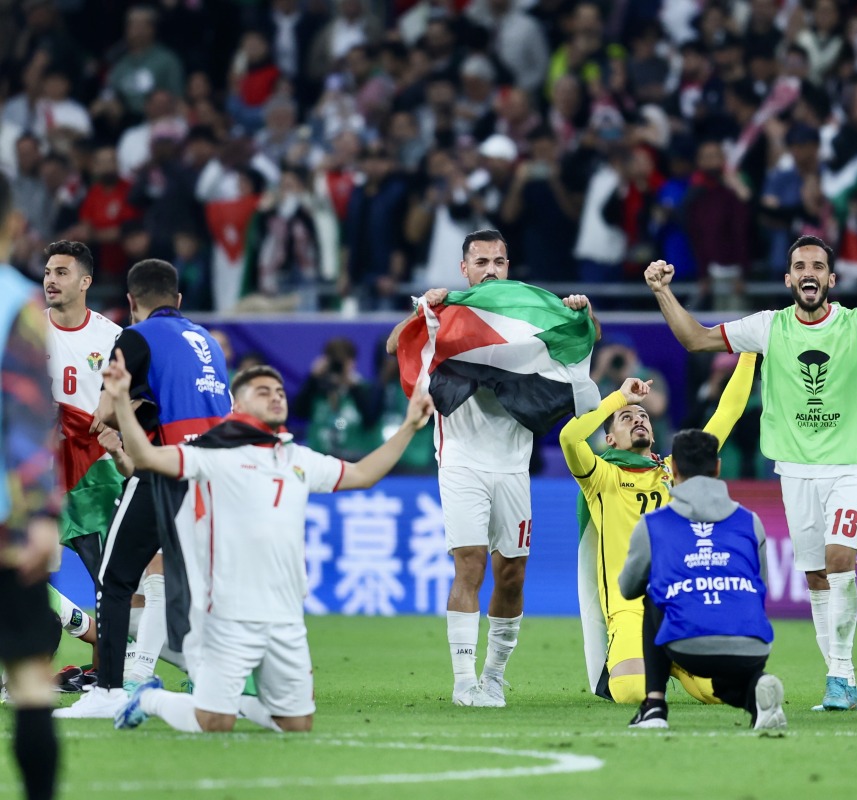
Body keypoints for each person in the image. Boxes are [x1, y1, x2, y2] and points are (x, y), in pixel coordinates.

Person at [645, 235, 857, 711]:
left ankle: (839, 675)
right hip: (794, 471)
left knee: (840, 560)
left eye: (818, 265)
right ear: (789, 278)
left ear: (831, 280)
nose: (809, 272)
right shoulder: (768, 327)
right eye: (800, 265)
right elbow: (696, 338)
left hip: (850, 468)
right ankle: (844, 680)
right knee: (816, 576)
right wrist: (661, 292)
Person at [111, 360, 435, 732]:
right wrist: (121, 402)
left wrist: (410, 425)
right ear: (237, 404)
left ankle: (237, 703)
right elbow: (147, 457)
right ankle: (149, 698)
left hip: (286, 614)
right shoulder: (213, 453)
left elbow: (362, 474)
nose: (275, 397)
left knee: (296, 724)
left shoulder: (297, 457)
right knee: (214, 722)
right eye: (262, 391)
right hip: (228, 614)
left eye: (279, 391)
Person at [385, 229, 596, 707]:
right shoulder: (450, 314)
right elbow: (396, 345)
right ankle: (463, 682)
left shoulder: (523, 316)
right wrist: (426, 310)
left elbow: (582, 339)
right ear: (464, 269)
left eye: (499, 261)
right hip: (460, 461)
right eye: (481, 262)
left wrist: (582, 312)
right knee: (471, 564)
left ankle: (494, 676)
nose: (491, 270)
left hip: (514, 467)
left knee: (513, 574)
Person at [56, 259, 231, 719]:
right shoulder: (207, 342)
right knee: (187, 583)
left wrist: (116, 413)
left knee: (114, 578)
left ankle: (109, 691)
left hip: (167, 469)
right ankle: (216, 682)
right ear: (178, 300)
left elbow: (103, 410)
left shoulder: (135, 337)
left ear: (131, 302)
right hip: (219, 473)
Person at [560, 359, 753, 704]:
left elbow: (729, 412)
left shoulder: (677, 472)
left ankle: (674, 659)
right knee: (632, 691)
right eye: (627, 418)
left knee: (724, 693)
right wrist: (619, 397)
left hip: (681, 605)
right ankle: (655, 658)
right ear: (610, 439)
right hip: (631, 610)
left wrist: (751, 352)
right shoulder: (601, 477)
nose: (638, 419)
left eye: (643, 416)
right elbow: (569, 437)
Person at [617, 429, 784, 730]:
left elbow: (628, 589)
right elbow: (761, 587)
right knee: (724, 682)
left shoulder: (654, 523)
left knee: (652, 595)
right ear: (718, 467)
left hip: (687, 647)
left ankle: (654, 705)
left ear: (675, 470)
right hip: (752, 646)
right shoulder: (751, 520)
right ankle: (758, 697)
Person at [0, 172, 62, 800]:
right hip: (4, 524)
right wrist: (43, 513)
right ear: (15, 225)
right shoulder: (17, 305)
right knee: (28, 675)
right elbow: (22, 418)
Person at [42, 241, 124, 583]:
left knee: (111, 582)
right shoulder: (27, 328)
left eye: (62, 273)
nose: (51, 280)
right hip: (38, 471)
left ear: (85, 282)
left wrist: (115, 426)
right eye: (48, 272)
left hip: (93, 475)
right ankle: (78, 629)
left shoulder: (112, 337)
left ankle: (104, 633)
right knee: (30, 586)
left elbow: (133, 401)